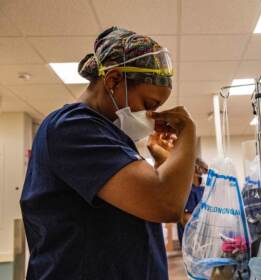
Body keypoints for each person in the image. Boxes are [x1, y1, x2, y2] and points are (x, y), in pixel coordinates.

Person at [20, 27, 196, 280]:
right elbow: (165, 204)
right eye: (148, 105)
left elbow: (165, 206)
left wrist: (161, 163)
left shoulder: (109, 136)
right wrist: (188, 131)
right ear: (112, 80)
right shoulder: (72, 127)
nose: (150, 116)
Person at [177, 158, 208, 246]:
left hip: (201, 237)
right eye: (202, 170)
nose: (203, 174)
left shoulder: (202, 189)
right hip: (192, 239)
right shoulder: (188, 190)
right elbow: (186, 218)